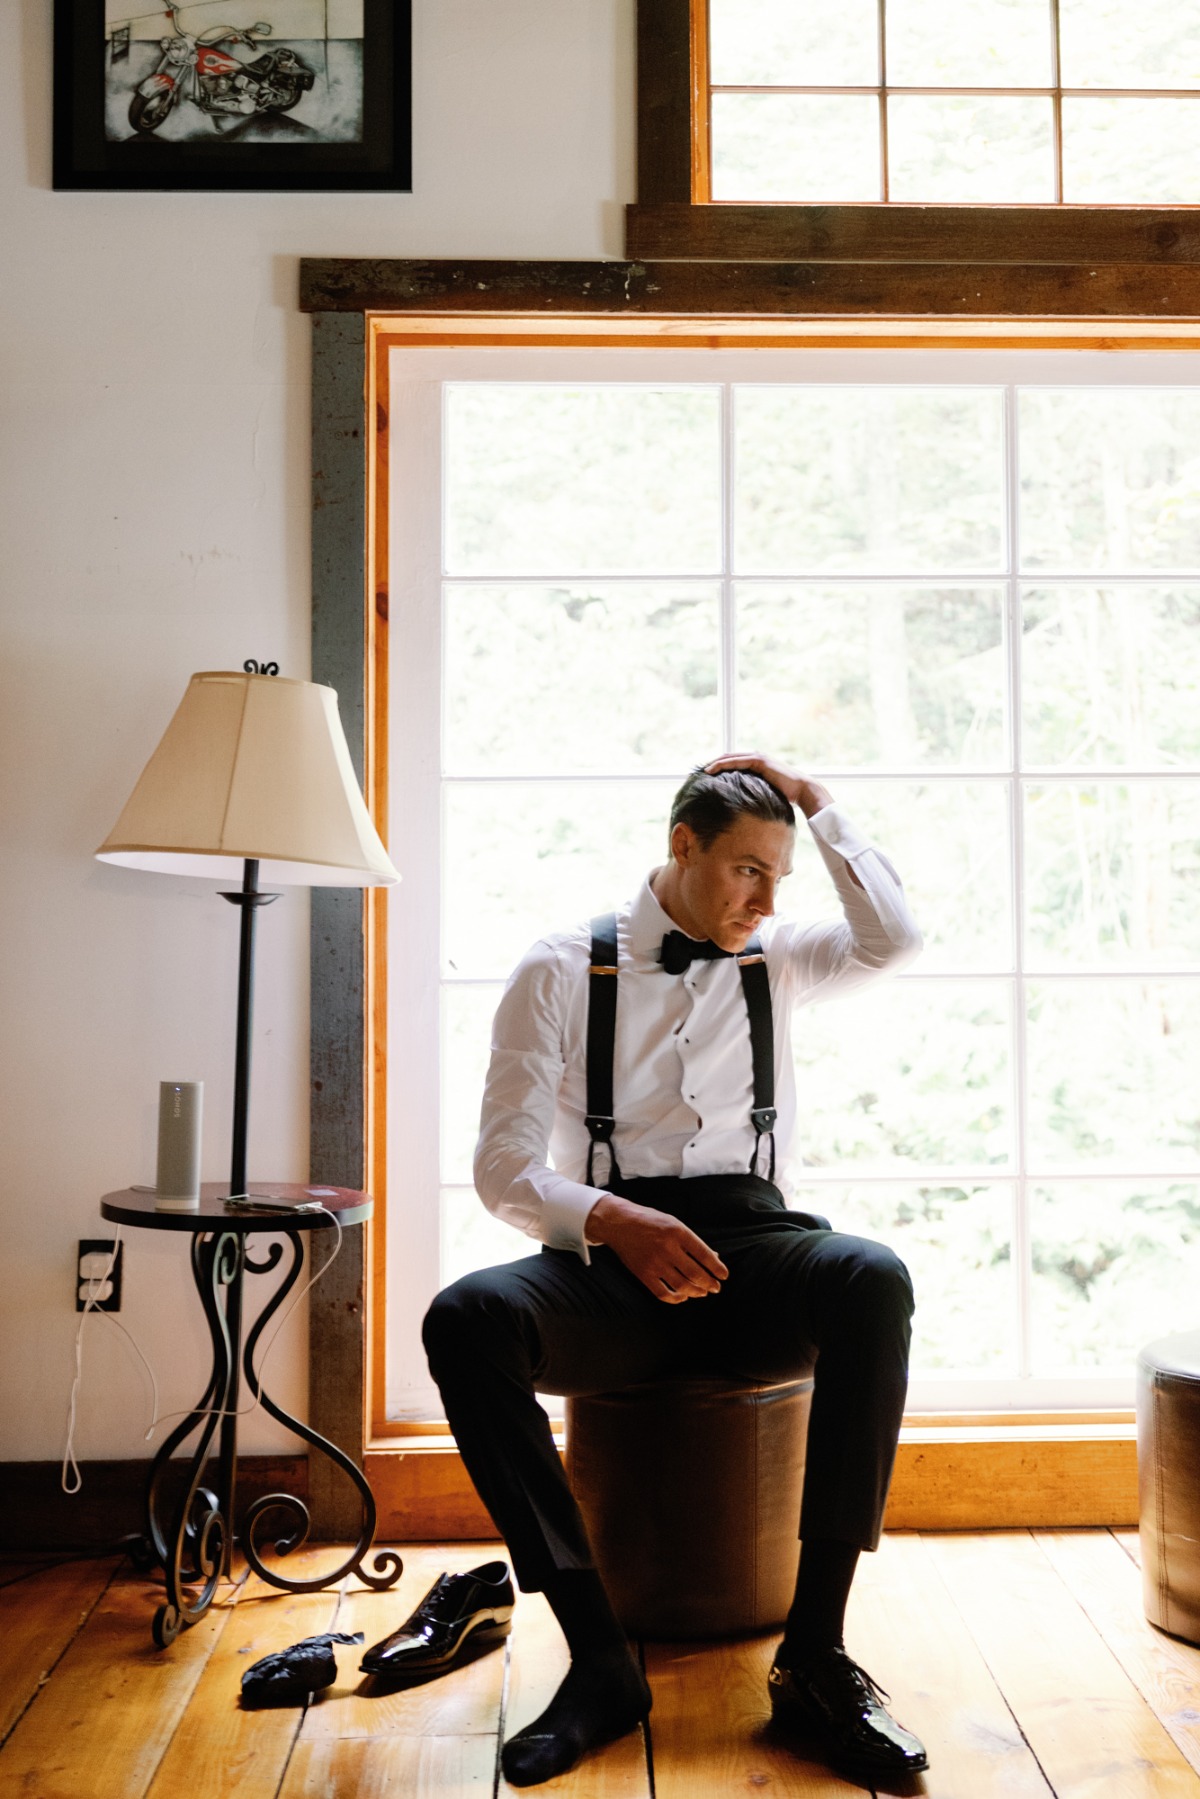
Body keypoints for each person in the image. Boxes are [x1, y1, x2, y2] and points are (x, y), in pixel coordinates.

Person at [422, 752, 928, 1787]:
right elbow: (503, 1168)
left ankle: (817, 1654)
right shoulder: (560, 967)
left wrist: (819, 807)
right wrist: (611, 1218)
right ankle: (600, 1660)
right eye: (747, 869)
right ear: (680, 844)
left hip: (757, 1253)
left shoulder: (781, 954)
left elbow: (896, 934)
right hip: (616, 1269)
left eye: (780, 875)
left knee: (872, 1273)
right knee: (466, 1314)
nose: (766, 899)